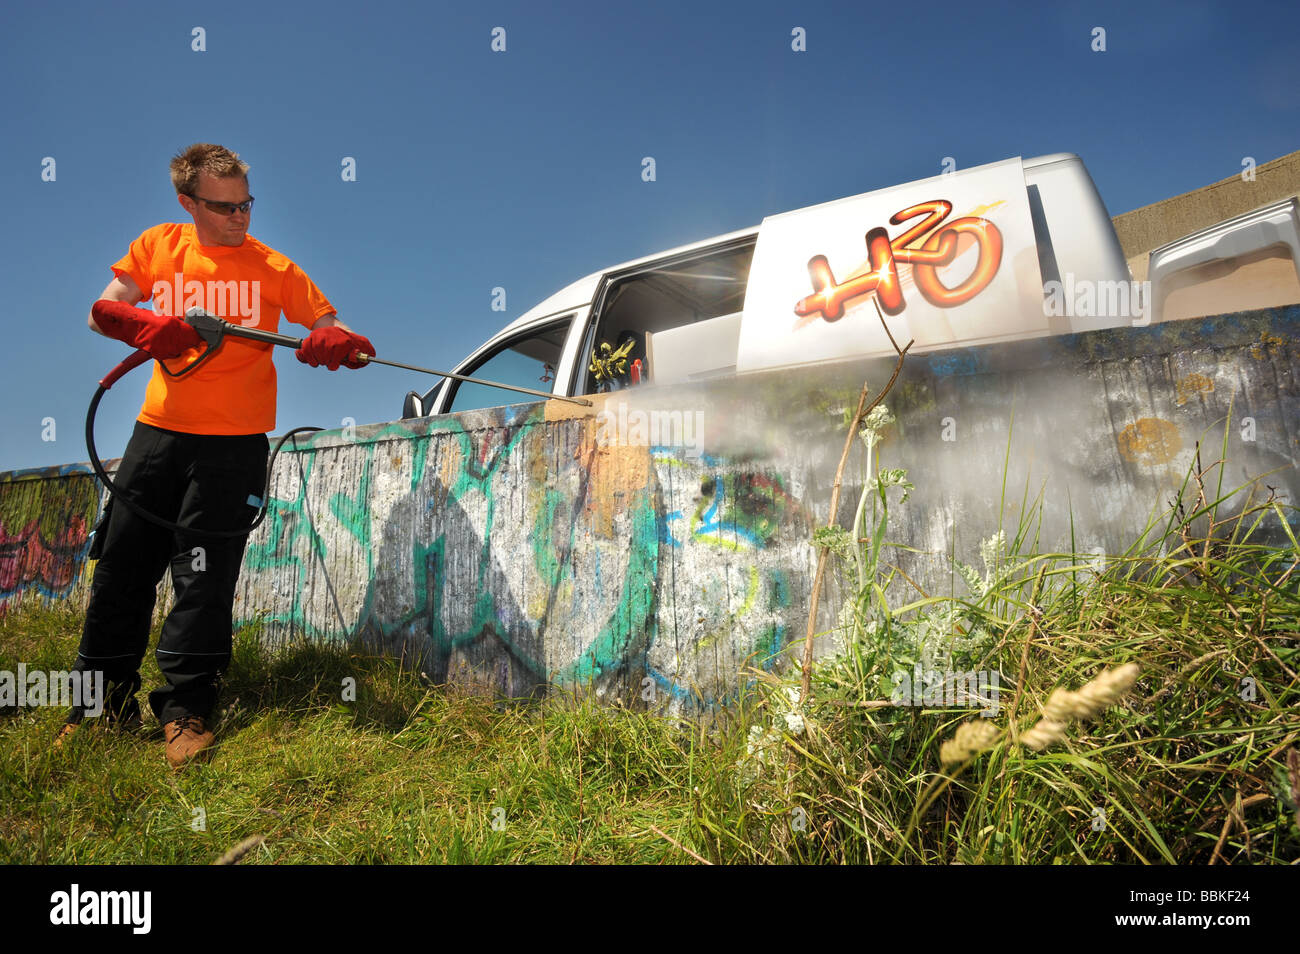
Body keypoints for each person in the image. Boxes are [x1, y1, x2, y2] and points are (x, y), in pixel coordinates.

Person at [56, 143, 373, 768]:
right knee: (122, 565)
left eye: (246, 204)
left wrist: (331, 339)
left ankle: (186, 710)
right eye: (224, 207)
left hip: (236, 445)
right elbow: (103, 311)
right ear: (188, 203)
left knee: (204, 578)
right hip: (158, 434)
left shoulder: (274, 266)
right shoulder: (159, 247)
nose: (239, 217)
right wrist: (142, 326)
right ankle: (96, 709)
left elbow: (327, 324)